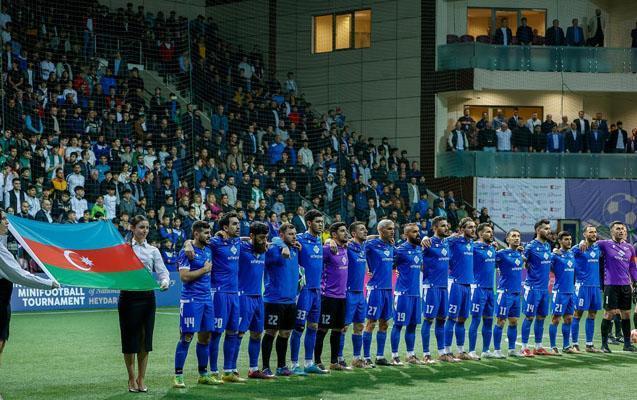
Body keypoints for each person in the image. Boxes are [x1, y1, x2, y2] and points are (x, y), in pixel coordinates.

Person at [0, 211, 58, 367]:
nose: (7, 222)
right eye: (4, 219)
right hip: (1, 299)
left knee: (2, 342)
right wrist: (48, 284)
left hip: (4, 300)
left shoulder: (2, 240)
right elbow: (19, 275)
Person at [120, 215, 170, 393]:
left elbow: (163, 272)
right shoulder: (123, 249)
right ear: (132, 228)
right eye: (141, 227)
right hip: (127, 297)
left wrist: (164, 282)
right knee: (129, 340)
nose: (145, 231)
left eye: (147, 227)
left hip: (148, 298)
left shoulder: (153, 250)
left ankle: (141, 379)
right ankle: (131, 378)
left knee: (144, 340)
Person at [173, 221, 219, 388]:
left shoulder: (208, 249)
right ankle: (178, 375)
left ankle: (203, 374)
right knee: (186, 337)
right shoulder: (187, 252)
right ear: (196, 234)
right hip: (191, 300)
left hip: (207, 299)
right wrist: (204, 270)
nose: (209, 236)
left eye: (210, 232)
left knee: (205, 337)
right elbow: (184, 277)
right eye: (206, 233)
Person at [581, 222, 637, 353]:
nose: (621, 231)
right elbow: (589, 243)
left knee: (626, 314)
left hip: (625, 286)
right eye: (618, 229)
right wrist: (582, 243)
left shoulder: (630, 247)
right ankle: (604, 344)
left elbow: (633, 268)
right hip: (611, 285)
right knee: (609, 313)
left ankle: (627, 344)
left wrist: (636, 281)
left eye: (623, 229)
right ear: (612, 231)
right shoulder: (604, 244)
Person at [237, 222, 273, 379]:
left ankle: (253, 369)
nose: (264, 241)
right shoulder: (241, 248)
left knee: (257, 333)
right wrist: (188, 242)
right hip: (243, 296)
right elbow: (224, 240)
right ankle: (231, 369)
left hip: (259, 297)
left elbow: (278, 241)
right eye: (261, 237)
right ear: (251, 236)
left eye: (266, 238)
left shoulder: (264, 249)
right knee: (238, 334)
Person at [262, 223, 300, 376]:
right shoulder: (272, 250)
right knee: (270, 332)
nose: (294, 236)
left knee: (285, 333)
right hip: (274, 300)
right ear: (282, 235)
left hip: (291, 301)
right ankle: (265, 367)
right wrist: (280, 244)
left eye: (295, 234)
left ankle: (281, 366)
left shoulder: (295, 249)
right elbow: (272, 240)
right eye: (290, 234)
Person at [313, 222, 350, 370]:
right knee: (322, 329)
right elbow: (315, 256)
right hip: (328, 296)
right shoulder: (328, 249)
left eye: (346, 230)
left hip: (342, 296)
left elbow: (367, 238)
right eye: (342, 231)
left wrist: (331, 240)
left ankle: (334, 362)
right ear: (334, 234)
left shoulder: (346, 247)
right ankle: (316, 361)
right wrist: (329, 241)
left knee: (338, 329)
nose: (345, 233)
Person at [389, 223, 424, 365]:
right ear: (406, 235)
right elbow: (389, 265)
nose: (417, 234)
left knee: (412, 325)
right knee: (398, 325)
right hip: (403, 294)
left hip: (416, 294)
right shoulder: (400, 250)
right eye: (414, 232)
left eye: (418, 231)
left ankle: (410, 355)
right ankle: (394, 355)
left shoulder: (420, 249)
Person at [362, 219, 395, 367]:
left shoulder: (392, 245)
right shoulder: (371, 245)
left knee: (384, 324)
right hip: (375, 289)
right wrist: (376, 236)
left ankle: (380, 356)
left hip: (388, 289)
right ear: (381, 230)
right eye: (389, 229)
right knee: (370, 323)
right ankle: (366, 357)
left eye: (393, 228)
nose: (392, 231)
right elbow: (358, 240)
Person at [337, 222, 369, 368]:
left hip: (360, 293)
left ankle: (356, 359)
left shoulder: (363, 246)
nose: (365, 231)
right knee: (343, 327)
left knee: (359, 326)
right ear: (354, 234)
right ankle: (339, 358)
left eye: (365, 229)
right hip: (348, 293)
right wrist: (332, 241)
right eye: (362, 229)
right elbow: (331, 242)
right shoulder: (347, 246)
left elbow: (373, 237)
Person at [520, 219, 553, 356]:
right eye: (546, 228)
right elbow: (521, 260)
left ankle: (538, 347)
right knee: (529, 317)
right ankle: (524, 347)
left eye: (549, 228)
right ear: (538, 230)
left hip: (545, 289)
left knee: (541, 317)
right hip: (533, 288)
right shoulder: (530, 246)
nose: (549, 231)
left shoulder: (548, 246)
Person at [493, 229, 527, 358]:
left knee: (513, 322)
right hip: (505, 293)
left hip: (517, 293)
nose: (517, 238)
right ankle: (497, 350)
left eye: (518, 236)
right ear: (507, 239)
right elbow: (490, 264)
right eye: (513, 236)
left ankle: (512, 349)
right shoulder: (501, 254)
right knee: (501, 321)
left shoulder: (519, 254)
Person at [421, 216, 450, 363]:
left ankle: (442, 352)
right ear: (434, 228)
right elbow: (414, 254)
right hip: (431, 287)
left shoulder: (447, 242)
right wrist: (424, 238)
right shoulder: (428, 243)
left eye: (446, 225)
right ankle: (426, 354)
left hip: (444, 287)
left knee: (442, 320)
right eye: (443, 226)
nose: (446, 228)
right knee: (428, 319)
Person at [570, 225, 603, 353]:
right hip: (582, 286)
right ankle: (574, 344)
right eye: (590, 232)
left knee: (593, 314)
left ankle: (589, 345)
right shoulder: (578, 248)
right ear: (584, 234)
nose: (593, 234)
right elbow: (565, 254)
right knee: (577, 314)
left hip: (595, 286)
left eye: (595, 232)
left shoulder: (597, 247)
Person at [467, 223, 496, 359]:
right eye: (488, 232)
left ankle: (486, 350)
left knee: (489, 321)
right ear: (480, 234)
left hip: (490, 290)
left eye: (491, 231)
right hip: (478, 289)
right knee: (476, 320)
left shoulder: (492, 248)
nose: (491, 234)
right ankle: (471, 351)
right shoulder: (473, 247)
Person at [548, 231, 577, 355]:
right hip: (560, 292)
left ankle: (566, 346)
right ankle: (553, 347)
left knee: (569, 319)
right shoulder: (555, 255)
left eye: (570, 239)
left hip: (571, 291)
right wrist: (553, 253)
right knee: (556, 319)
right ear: (559, 241)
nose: (569, 241)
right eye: (566, 239)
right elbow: (547, 266)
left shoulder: (572, 254)